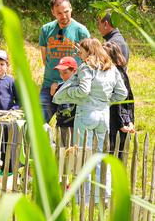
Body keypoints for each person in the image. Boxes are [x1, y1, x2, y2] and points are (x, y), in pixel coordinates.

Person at [53, 37, 127, 201]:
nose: (80, 54)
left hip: (86, 114)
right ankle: (104, 196)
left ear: (89, 50)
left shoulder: (87, 67)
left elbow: (83, 90)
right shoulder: (111, 68)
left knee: (83, 156)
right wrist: (106, 101)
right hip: (103, 116)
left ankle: (84, 197)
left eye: (81, 51)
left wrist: (70, 95)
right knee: (101, 155)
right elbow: (122, 93)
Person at [39, 0, 90, 123]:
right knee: (37, 123)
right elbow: (44, 59)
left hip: (71, 87)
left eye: (66, 12)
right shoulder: (46, 30)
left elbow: (89, 60)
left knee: (66, 129)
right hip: (49, 85)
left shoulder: (81, 31)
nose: (64, 16)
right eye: (59, 13)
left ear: (71, 9)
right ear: (53, 13)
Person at [104, 40, 134, 157]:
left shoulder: (118, 73)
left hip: (116, 121)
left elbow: (124, 101)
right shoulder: (112, 72)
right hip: (112, 119)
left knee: (115, 154)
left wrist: (125, 121)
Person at [51, 57, 78, 146]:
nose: (62, 76)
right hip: (60, 125)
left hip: (73, 127)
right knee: (61, 153)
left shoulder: (79, 88)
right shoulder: (59, 87)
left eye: (65, 72)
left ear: (74, 71)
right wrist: (52, 95)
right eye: (60, 73)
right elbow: (55, 106)